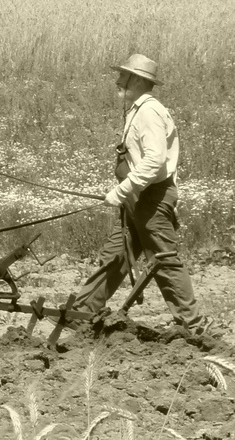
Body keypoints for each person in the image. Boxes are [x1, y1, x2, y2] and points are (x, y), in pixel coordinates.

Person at [72, 54, 208, 338]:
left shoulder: (148, 111)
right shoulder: (138, 109)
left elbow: (155, 159)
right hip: (138, 196)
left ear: (137, 79)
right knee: (117, 254)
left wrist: (123, 190)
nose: (118, 79)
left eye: (124, 75)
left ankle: (191, 326)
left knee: (163, 258)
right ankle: (81, 312)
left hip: (151, 197)